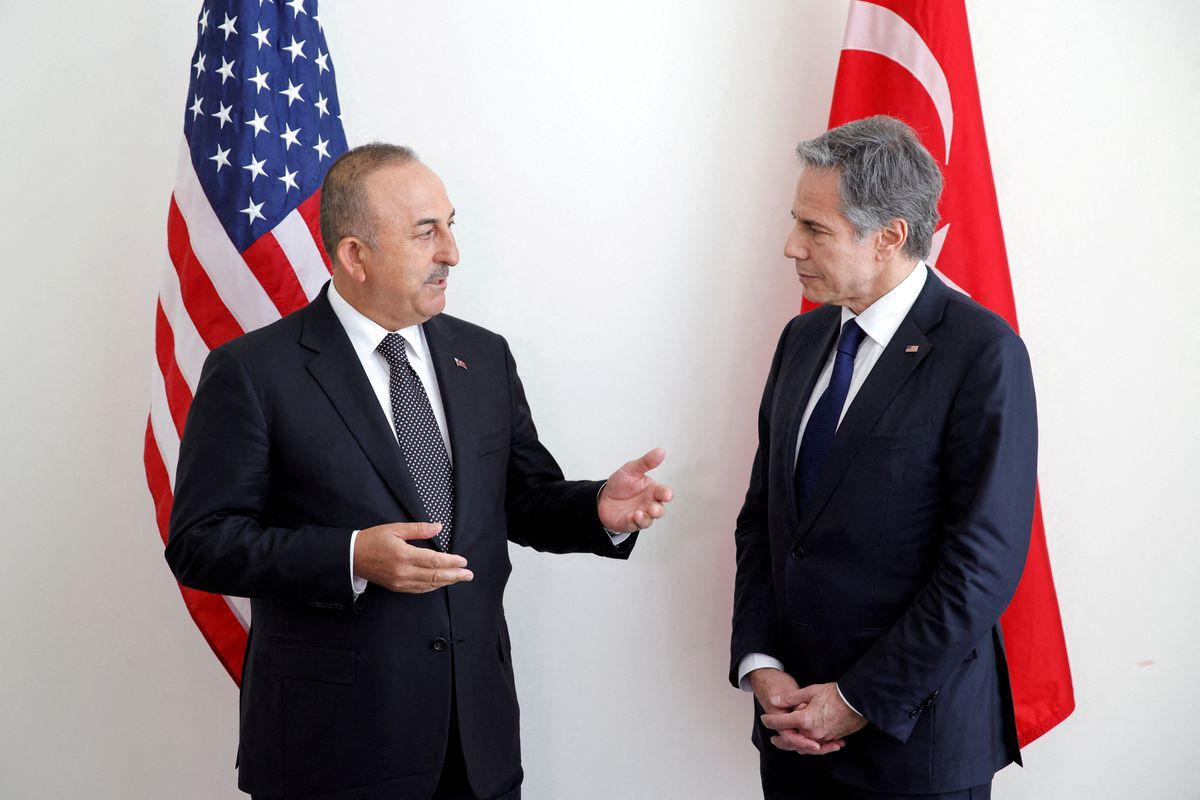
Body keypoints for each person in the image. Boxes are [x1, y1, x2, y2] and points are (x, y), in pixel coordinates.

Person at [165, 143, 673, 800]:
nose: (452, 253)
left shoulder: (483, 356)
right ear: (356, 255)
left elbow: (521, 498)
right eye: (426, 232)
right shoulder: (254, 371)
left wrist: (597, 508)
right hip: (332, 750)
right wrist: (352, 556)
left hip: (476, 743)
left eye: (450, 225)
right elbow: (201, 542)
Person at [730, 116, 1037, 799]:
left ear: (890, 236)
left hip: (915, 745)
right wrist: (761, 662)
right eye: (795, 222)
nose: (790, 246)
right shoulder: (801, 339)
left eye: (815, 228)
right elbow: (763, 522)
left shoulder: (982, 353)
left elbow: (981, 565)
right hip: (792, 734)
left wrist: (858, 698)